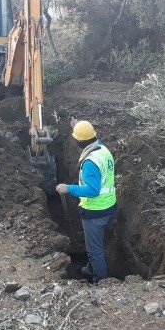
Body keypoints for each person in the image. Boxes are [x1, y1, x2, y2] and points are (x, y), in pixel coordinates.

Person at [56, 120, 118, 284]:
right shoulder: (103, 150)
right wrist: (80, 128)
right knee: (97, 244)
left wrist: (68, 188)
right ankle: (91, 269)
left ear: (79, 141)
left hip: (95, 212)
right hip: (109, 207)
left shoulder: (90, 163)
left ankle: (100, 280)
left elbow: (92, 190)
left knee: (95, 250)